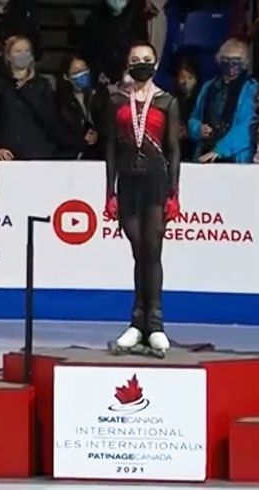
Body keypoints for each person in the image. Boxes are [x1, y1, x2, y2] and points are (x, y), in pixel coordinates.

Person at [104, 41, 181, 355]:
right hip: (128, 184)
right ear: (128, 63)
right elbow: (110, 148)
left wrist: (174, 193)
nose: (141, 63)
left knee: (153, 251)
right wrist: (109, 192)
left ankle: (154, 322)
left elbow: (173, 150)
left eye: (146, 59)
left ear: (156, 64)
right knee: (139, 251)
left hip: (156, 184)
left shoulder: (167, 101)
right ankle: (138, 323)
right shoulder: (115, 100)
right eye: (135, 59)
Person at [0, 35, 65, 160]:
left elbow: (50, 119)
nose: (23, 55)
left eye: (27, 51)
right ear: (8, 56)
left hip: (39, 153)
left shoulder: (42, 85)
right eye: (18, 51)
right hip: (8, 154)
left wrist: (28, 92)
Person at [187, 38, 257, 163]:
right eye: (226, 60)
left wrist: (220, 150)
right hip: (205, 152)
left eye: (236, 60)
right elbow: (194, 117)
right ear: (219, 60)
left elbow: (248, 126)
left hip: (235, 157)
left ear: (245, 63)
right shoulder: (208, 87)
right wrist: (197, 129)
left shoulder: (251, 89)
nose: (231, 64)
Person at [55, 54, 109, 160]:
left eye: (84, 70)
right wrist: (81, 140)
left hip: (100, 153)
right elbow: (60, 133)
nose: (82, 75)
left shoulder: (100, 92)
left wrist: (98, 134)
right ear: (66, 76)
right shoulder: (60, 101)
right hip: (74, 155)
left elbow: (106, 121)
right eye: (76, 72)